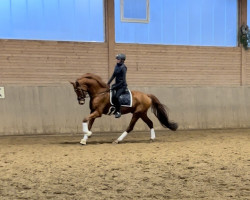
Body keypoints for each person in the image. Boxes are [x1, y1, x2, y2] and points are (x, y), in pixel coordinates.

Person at [107, 53, 128, 118]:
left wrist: (115, 86)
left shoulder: (123, 68)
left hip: (122, 86)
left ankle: (118, 111)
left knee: (116, 97)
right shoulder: (117, 66)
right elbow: (114, 75)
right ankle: (113, 107)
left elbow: (123, 80)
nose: (117, 60)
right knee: (110, 94)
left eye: (118, 59)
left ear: (122, 60)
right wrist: (108, 83)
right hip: (117, 85)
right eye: (117, 59)